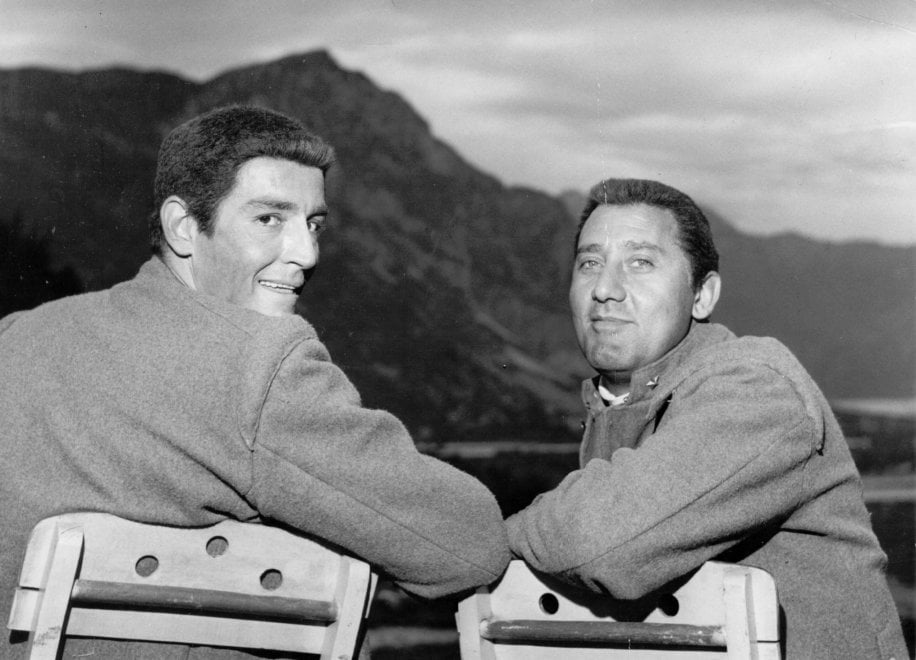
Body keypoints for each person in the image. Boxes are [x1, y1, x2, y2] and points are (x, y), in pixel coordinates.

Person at [0, 105, 510, 658]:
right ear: (183, 227)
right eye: (269, 219)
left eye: (314, 224)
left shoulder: (17, 335)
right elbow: (469, 546)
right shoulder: (262, 368)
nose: (307, 253)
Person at [505, 178, 908, 658]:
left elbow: (594, 541)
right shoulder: (617, 405)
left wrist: (489, 540)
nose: (605, 289)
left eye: (640, 262)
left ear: (702, 295)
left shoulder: (757, 390)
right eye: (590, 263)